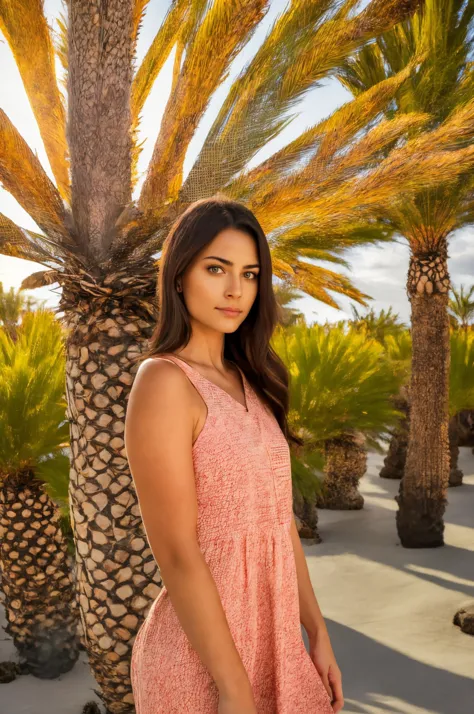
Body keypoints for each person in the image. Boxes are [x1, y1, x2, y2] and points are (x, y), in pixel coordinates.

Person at [124, 196, 344, 713]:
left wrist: (316, 630)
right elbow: (176, 551)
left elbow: (277, 521)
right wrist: (234, 688)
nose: (234, 290)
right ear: (179, 276)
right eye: (216, 269)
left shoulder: (250, 379)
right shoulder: (162, 382)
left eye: (249, 274)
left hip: (277, 644)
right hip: (205, 663)